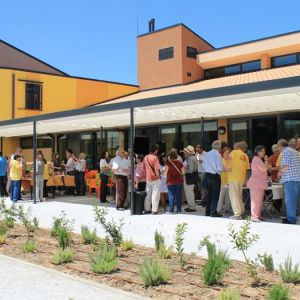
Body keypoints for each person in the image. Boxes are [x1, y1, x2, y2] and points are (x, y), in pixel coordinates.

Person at [277, 139, 300, 224]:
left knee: (289, 200)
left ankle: (291, 219)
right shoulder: (294, 151)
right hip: (297, 179)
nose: (278, 148)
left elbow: (286, 166)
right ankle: (291, 217)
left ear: (281, 146)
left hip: (290, 179)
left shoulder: (286, 152)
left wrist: (279, 174)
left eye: (278, 146)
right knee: (293, 200)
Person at [227, 142, 250, 220]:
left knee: (234, 196)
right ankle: (241, 211)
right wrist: (246, 180)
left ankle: (237, 214)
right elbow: (247, 170)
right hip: (241, 178)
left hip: (233, 177)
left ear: (237, 146)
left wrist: (228, 168)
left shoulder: (233, 152)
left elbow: (229, 163)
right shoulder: (245, 156)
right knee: (239, 195)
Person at [247, 146, 269, 222]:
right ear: (258, 152)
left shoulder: (258, 159)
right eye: (262, 151)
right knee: (256, 200)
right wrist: (266, 160)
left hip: (259, 182)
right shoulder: (256, 159)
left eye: (264, 151)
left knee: (259, 200)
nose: (264, 153)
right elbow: (264, 169)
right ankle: (254, 217)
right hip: (256, 182)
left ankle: (258, 215)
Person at [202, 140, 223, 217]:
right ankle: (213, 212)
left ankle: (207, 212)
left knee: (208, 195)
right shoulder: (218, 155)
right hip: (215, 176)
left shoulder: (206, 154)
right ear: (219, 147)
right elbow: (219, 168)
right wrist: (221, 171)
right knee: (215, 195)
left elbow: (203, 165)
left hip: (207, 175)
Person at [142, 144, 161, 214]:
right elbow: (156, 169)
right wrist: (158, 176)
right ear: (156, 150)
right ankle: (154, 210)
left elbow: (142, 169)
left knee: (148, 194)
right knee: (155, 194)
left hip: (148, 178)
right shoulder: (155, 158)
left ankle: (147, 209)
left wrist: (146, 175)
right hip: (155, 179)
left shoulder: (145, 157)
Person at [183, 145, 198, 213]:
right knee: (190, 192)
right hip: (191, 177)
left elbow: (190, 170)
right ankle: (191, 206)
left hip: (189, 177)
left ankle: (192, 207)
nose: (184, 152)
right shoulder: (191, 158)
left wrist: (183, 171)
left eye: (185, 151)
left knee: (189, 192)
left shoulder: (190, 159)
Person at [216, 147, 231, 215]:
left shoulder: (231, 160)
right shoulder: (220, 160)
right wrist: (225, 169)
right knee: (221, 196)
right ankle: (218, 209)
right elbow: (220, 169)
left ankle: (227, 209)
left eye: (228, 152)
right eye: (226, 152)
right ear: (223, 153)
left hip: (229, 181)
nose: (227, 154)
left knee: (228, 196)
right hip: (221, 180)